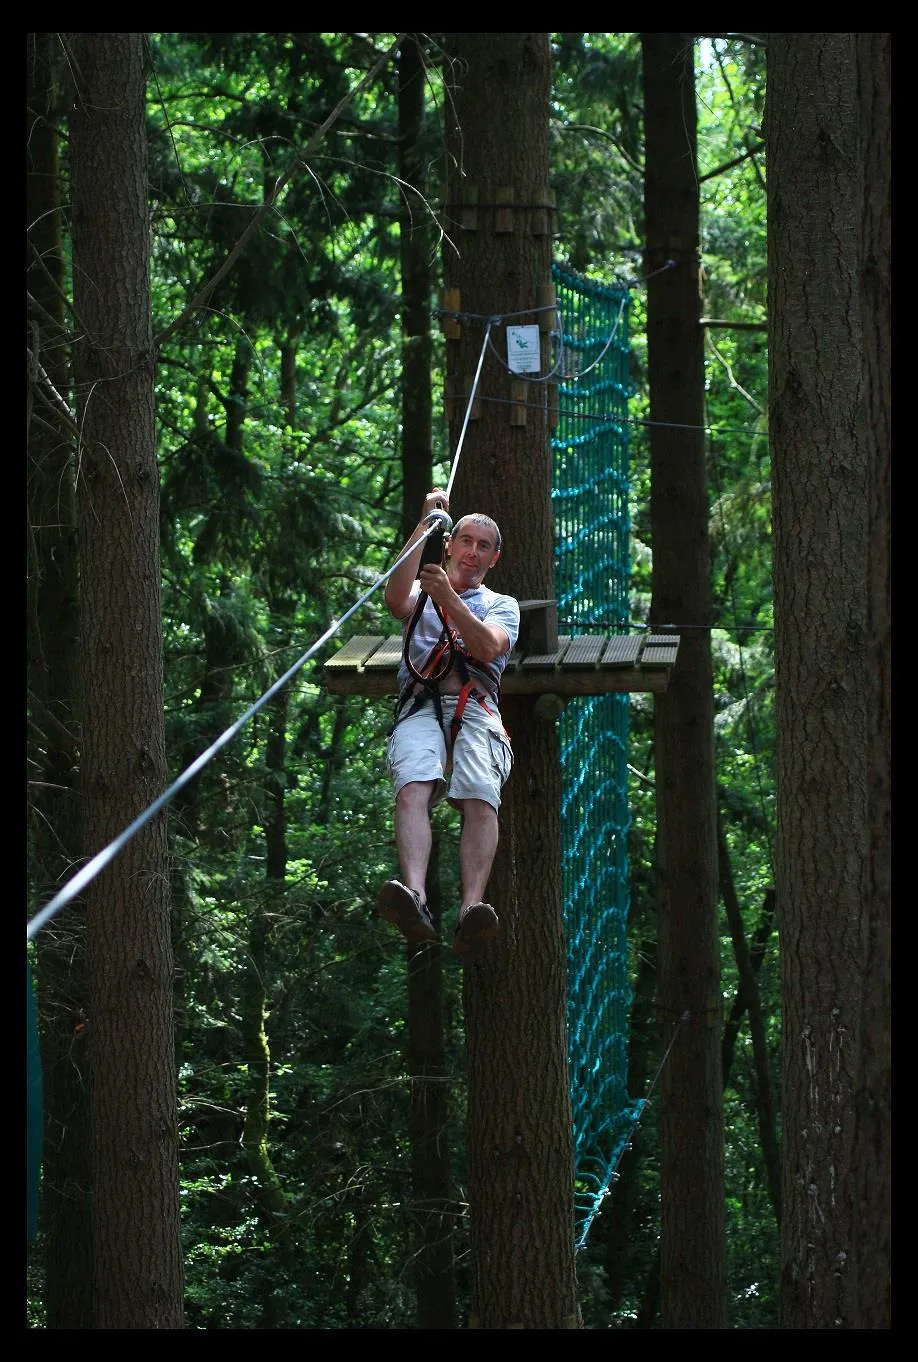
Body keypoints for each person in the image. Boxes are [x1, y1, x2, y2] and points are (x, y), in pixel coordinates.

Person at [375, 489, 519, 961]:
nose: (473, 553)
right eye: (465, 541)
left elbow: (488, 646)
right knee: (413, 785)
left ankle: (471, 907)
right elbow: (395, 598)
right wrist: (424, 525)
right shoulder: (422, 591)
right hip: (420, 706)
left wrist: (449, 600)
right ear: (450, 545)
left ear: (494, 558)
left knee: (479, 794)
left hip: (475, 708)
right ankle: (413, 896)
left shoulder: (502, 605)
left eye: (483, 546)